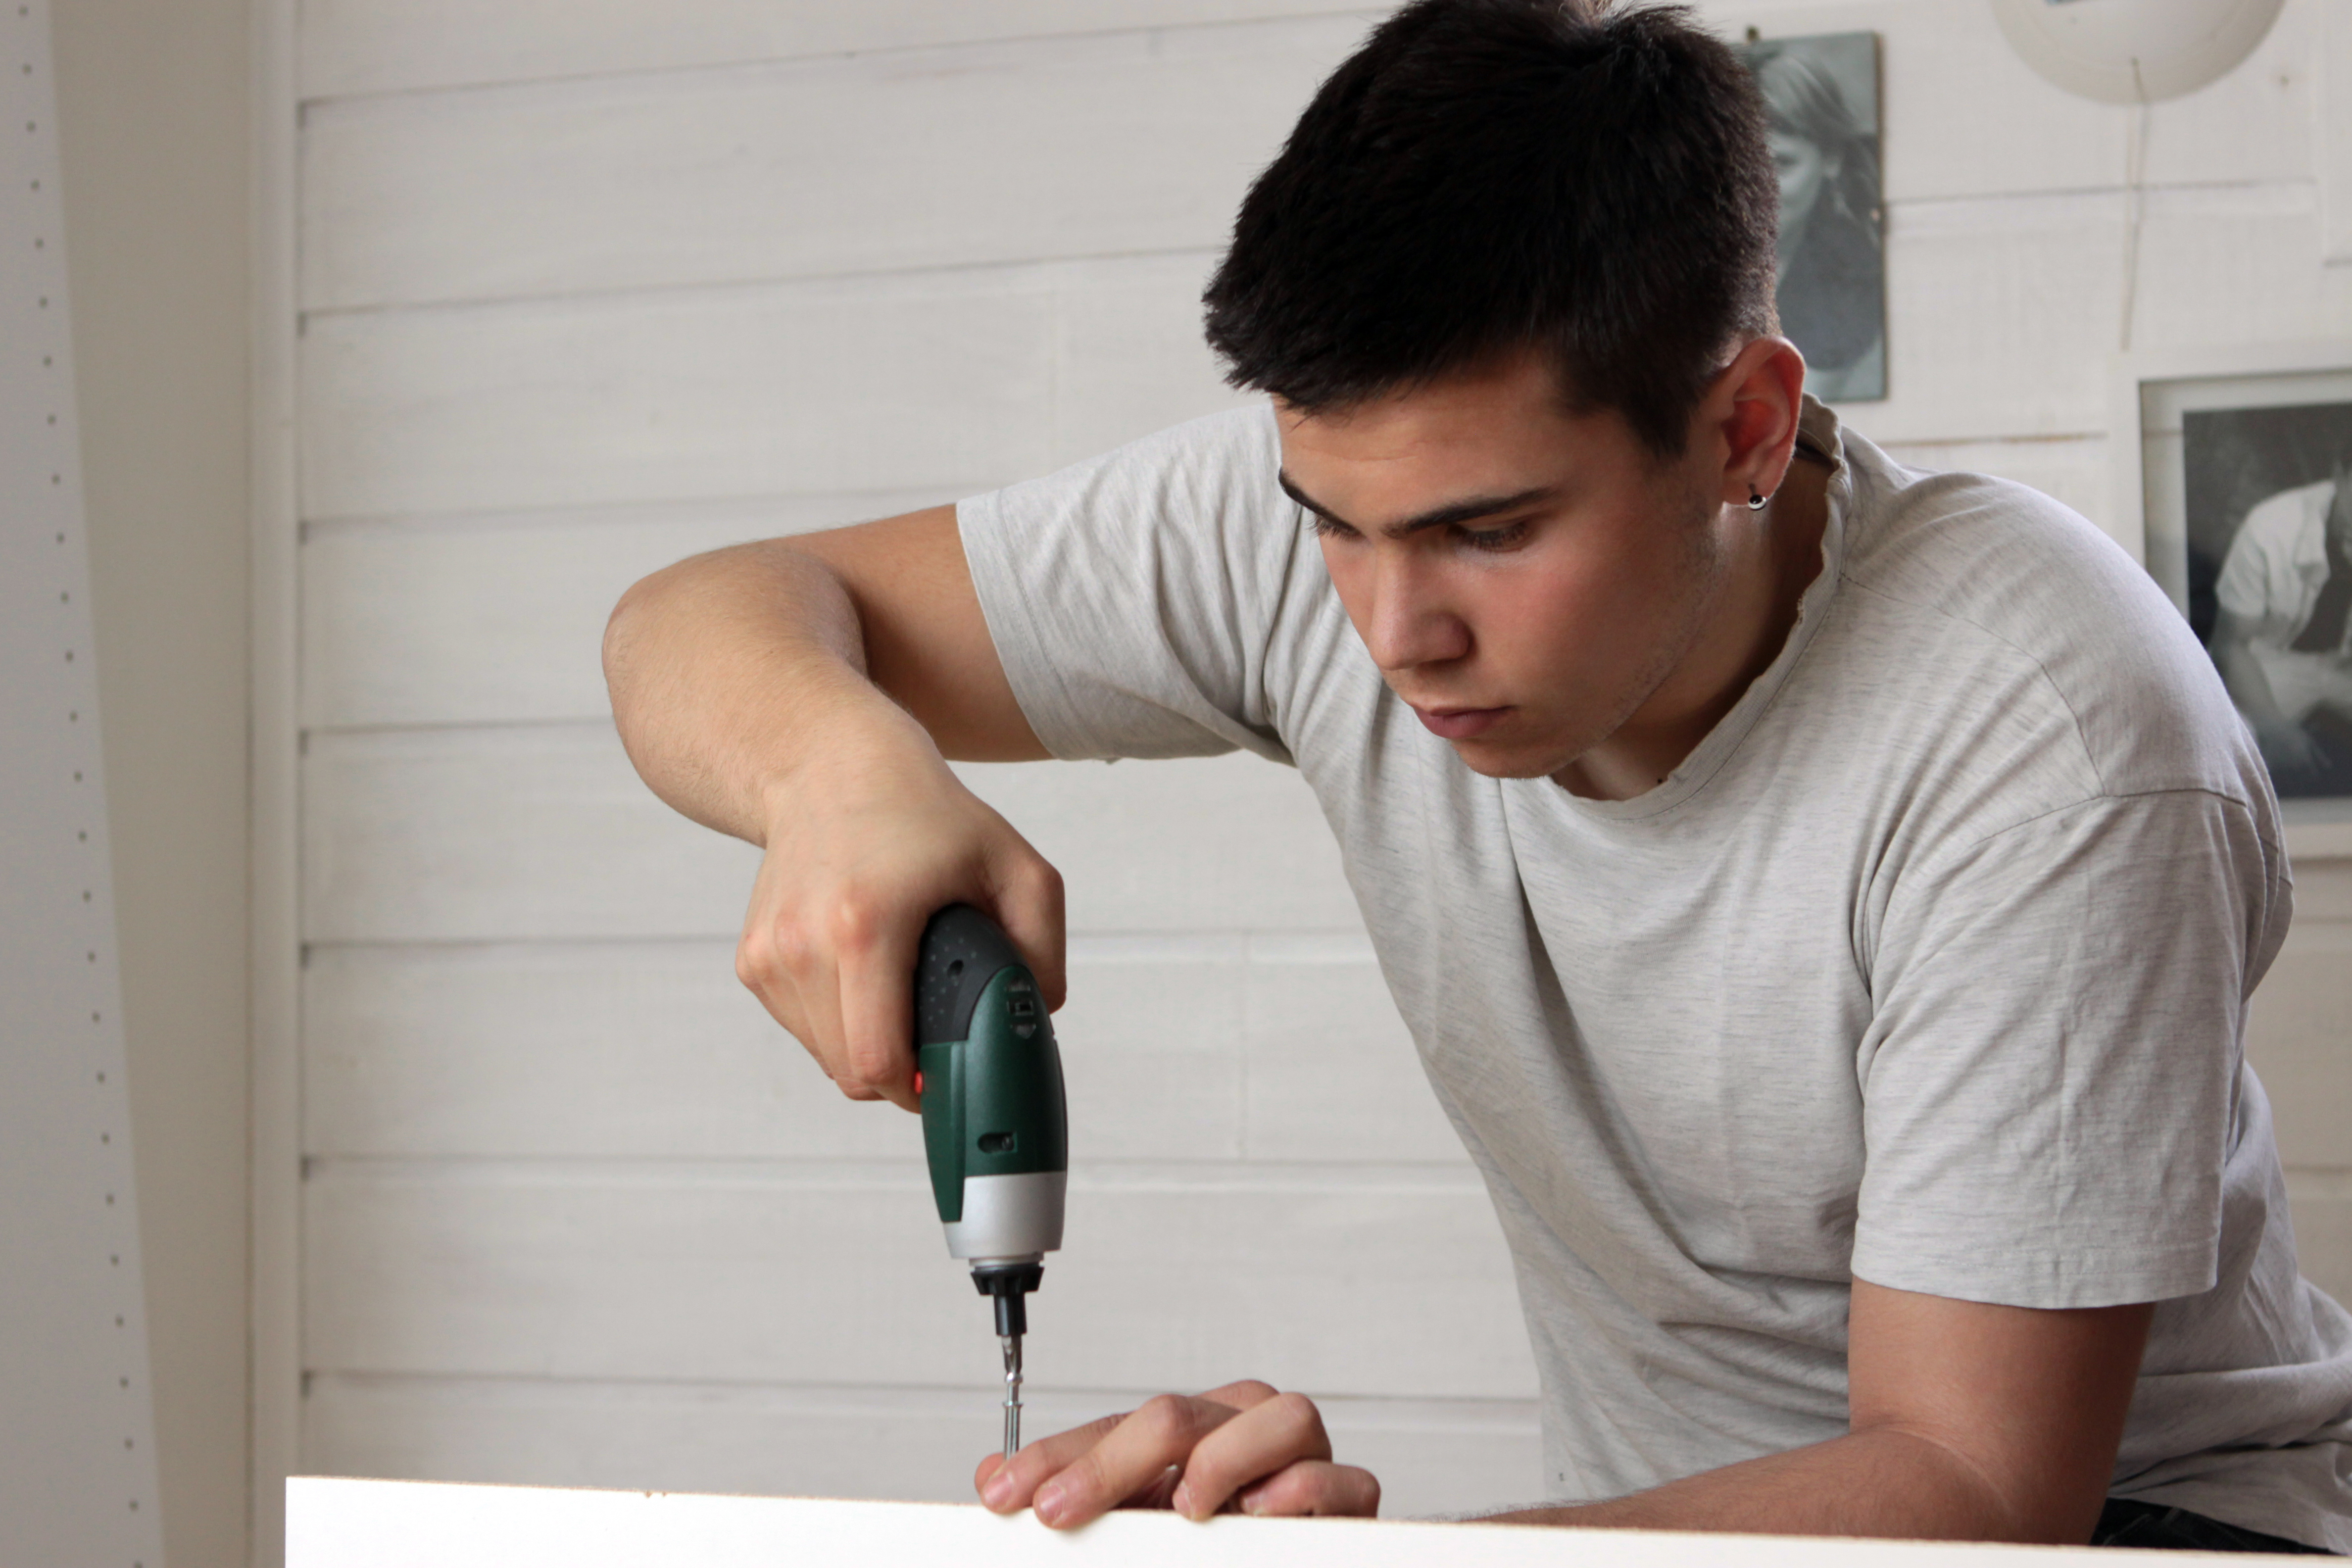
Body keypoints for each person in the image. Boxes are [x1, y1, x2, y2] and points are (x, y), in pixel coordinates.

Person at [602, 0, 2352, 1552]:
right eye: (1331, 525)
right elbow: (696, 620)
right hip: (1652, 1528)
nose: (1390, 625)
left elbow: (1972, 1493)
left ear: (1743, 425)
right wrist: (836, 767)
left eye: (1489, 532)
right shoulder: (1322, 528)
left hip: (2142, 1535)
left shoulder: (2042, 733)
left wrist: (1387, 1562)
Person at [1746, 40, 1884, 403]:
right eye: (1739, 167)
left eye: (1783, 165)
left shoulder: (1851, 279)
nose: (1755, 191)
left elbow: (1802, 420)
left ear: (1831, 159)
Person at [2210, 459, 2352, 797]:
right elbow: (2230, 645)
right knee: (2227, 750)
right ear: (2339, 475)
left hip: (2344, 667)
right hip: (2269, 661)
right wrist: (2274, 727)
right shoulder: (2271, 526)